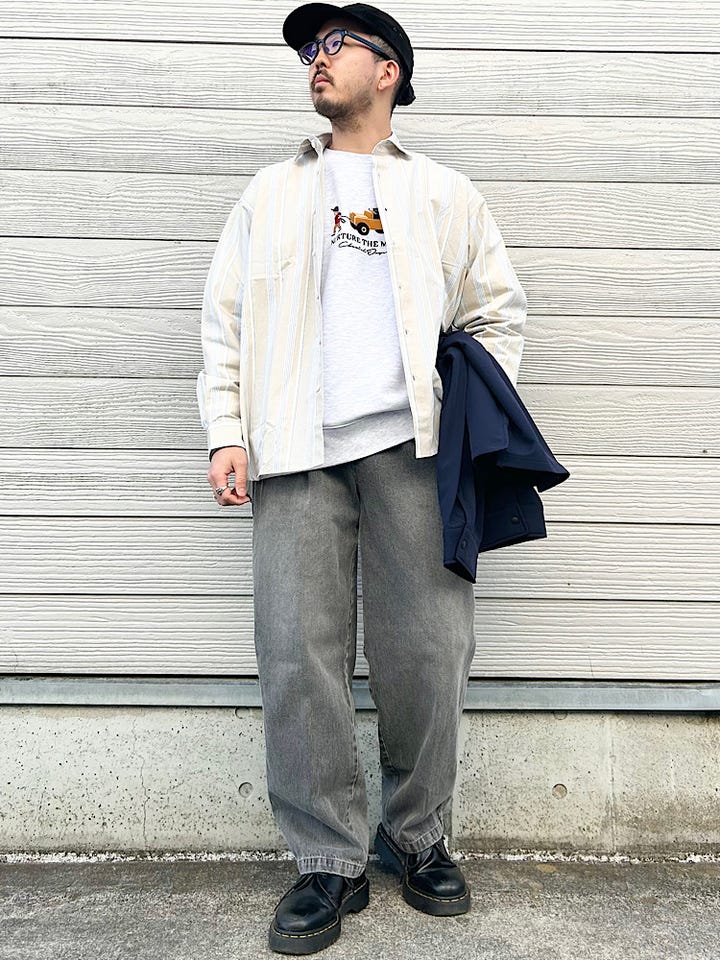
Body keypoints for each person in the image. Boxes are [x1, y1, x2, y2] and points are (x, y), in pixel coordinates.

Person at [195, 2, 528, 953]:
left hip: (414, 453)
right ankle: (327, 861)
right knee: (298, 656)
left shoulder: (444, 193)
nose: (316, 58)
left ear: (389, 71)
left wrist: (465, 411)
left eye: (335, 44)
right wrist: (226, 432)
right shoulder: (269, 192)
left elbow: (497, 311)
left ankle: (415, 836)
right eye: (309, 48)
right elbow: (226, 320)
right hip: (294, 450)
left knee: (428, 652)